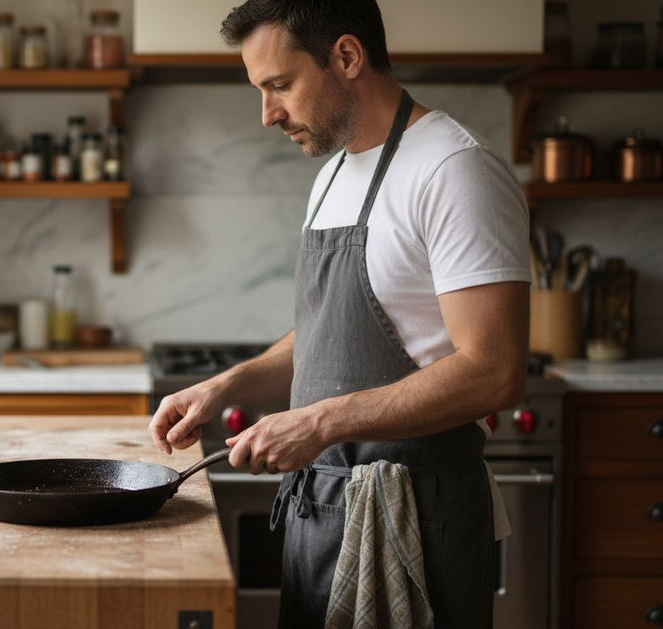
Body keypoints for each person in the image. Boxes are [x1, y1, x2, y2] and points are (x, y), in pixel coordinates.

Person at [147, 0, 531, 626]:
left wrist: (321, 422)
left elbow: (494, 371)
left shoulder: (455, 170)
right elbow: (336, 326)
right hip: (321, 511)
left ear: (347, 57)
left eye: (279, 86)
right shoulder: (332, 176)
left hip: (416, 519)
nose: (268, 114)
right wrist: (231, 383)